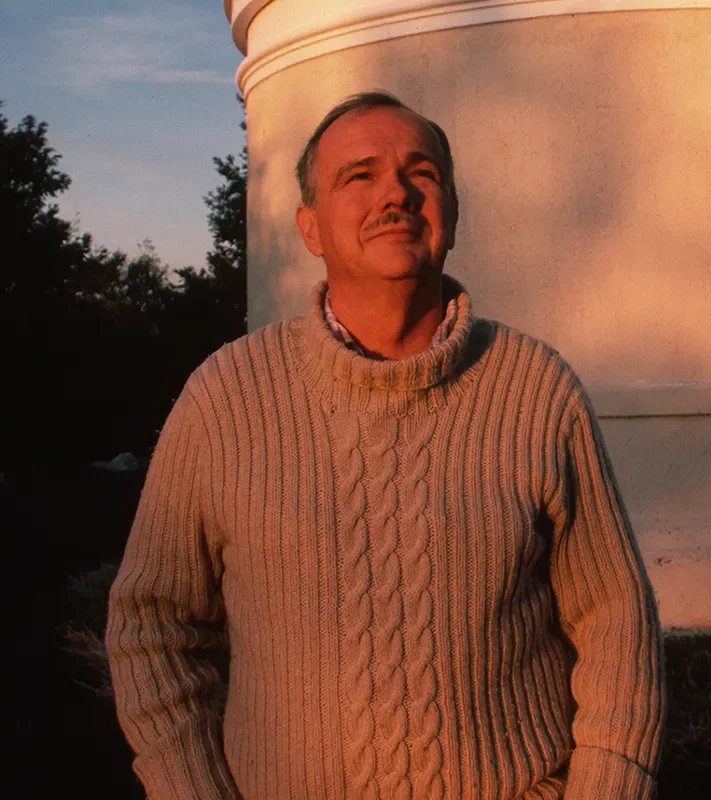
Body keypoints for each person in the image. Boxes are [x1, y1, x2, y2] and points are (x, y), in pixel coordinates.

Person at [106, 91, 665, 800]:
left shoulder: (535, 391)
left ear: (453, 214)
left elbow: (615, 618)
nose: (395, 193)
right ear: (309, 226)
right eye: (359, 175)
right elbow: (151, 622)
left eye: (421, 173)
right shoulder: (225, 401)